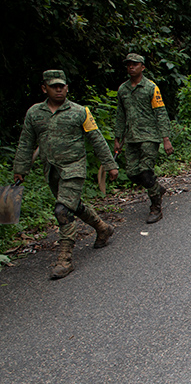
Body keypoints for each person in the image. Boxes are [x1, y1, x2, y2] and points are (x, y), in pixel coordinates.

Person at [13, 70, 119, 279]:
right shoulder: (35, 114)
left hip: (74, 168)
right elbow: (26, 142)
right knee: (72, 205)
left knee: (62, 209)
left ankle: (65, 259)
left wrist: (109, 164)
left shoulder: (80, 111)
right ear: (45, 88)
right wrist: (20, 169)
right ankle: (103, 228)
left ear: (67, 87)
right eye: (54, 86)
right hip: (51, 169)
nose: (59, 89)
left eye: (62, 85)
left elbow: (96, 139)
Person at [114, 53, 173, 224]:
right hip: (132, 138)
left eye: (134, 64)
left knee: (145, 172)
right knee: (132, 173)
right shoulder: (123, 90)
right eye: (128, 64)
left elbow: (160, 113)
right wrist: (118, 137)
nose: (131, 67)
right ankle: (156, 188)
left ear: (142, 67)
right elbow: (120, 115)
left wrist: (165, 138)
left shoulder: (150, 87)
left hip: (149, 137)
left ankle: (156, 207)